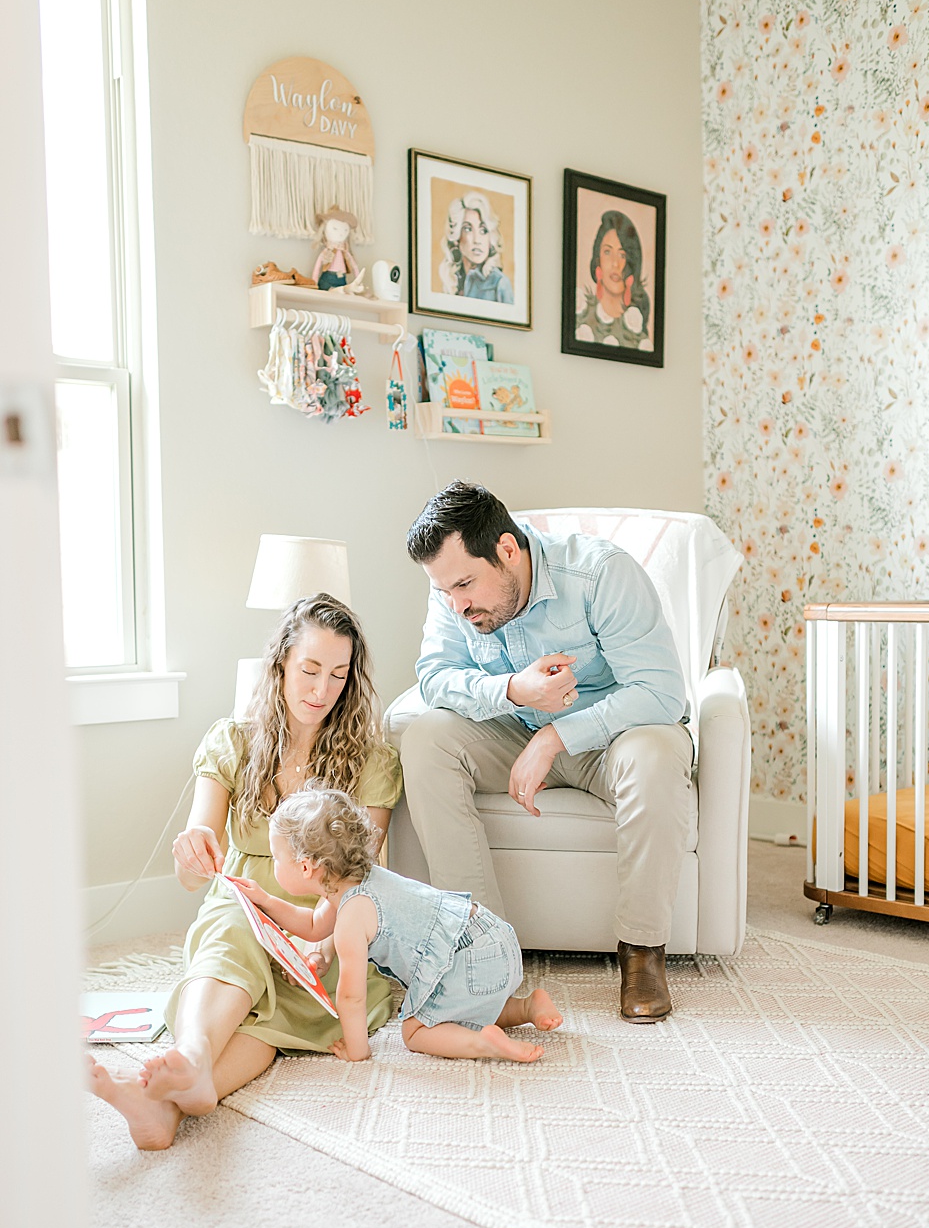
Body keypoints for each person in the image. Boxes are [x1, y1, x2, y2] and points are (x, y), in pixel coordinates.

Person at [87, 595, 403, 1150]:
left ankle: (166, 1106)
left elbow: (363, 877)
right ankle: (191, 1061)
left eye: (337, 675)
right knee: (237, 925)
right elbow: (195, 873)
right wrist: (193, 852)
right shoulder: (233, 742)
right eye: (308, 670)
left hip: (320, 929)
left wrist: (325, 939)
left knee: (267, 1019)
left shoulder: (372, 761)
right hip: (242, 910)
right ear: (280, 663)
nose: (321, 690)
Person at [393, 482, 695, 1021]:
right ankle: (481, 952)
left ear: (508, 550)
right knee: (425, 738)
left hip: (611, 741)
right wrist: (513, 691)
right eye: (445, 591)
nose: (458, 605)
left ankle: (642, 951)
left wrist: (555, 737)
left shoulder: (601, 574)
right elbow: (435, 678)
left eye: (465, 584)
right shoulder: (453, 597)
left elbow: (661, 691)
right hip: (513, 730)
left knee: (658, 752)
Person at [228, 787, 563, 1063]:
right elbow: (315, 927)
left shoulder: (351, 918)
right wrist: (267, 902)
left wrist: (357, 1049)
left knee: (416, 1032)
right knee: (468, 1003)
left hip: (466, 962)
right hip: (493, 938)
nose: (273, 864)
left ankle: (484, 1042)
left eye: (276, 857)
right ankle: (526, 1007)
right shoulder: (357, 882)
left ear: (305, 868)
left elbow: (352, 996)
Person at [574, 211, 651, 348]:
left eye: (622, 255)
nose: (615, 264)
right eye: (607, 252)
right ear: (598, 261)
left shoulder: (640, 340)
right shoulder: (580, 319)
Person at [440, 192, 515, 305]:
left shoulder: (499, 283)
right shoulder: (452, 280)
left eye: (483, 231)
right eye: (468, 229)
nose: (477, 240)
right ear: (456, 237)